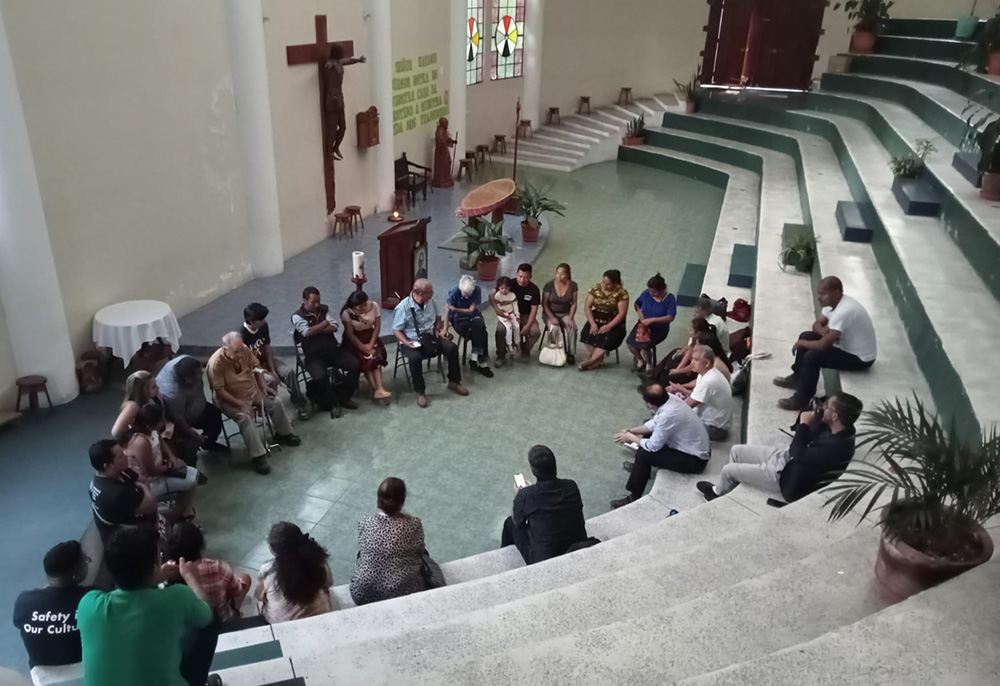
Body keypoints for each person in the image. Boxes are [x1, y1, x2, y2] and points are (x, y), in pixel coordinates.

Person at [77, 525, 214, 686]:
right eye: (159, 556)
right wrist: (190, 576)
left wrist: (155, 575)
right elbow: (207, 614)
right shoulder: (177, 596)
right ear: (154, 565)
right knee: (210, 621)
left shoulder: (88, 604)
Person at [698, 393, 862, 503]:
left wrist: (804, 424)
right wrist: (813, 418)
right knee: (736, 450)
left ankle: (716, 494)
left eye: (827, 405)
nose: (823, 406)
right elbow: (802, 442)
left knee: (728, 470)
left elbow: (798, 453)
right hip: (786, 458)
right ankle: (728, 489)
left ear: (835, 416)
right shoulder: (837, 427)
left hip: (788, 477)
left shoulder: (838, 447)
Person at [774, 276, 876, 411]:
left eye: (823, 294)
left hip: (860, 358)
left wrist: (801, 343)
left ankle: (803, 399)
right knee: (806, 336)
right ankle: (797, 379)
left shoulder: (844, 311)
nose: (819, 298)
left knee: (812, 356)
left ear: (836, 293)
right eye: (818, 293)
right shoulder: (833, 305)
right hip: (845, 347)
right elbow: (816, 324)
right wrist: (824, 333)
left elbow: (823, 345)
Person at [207, 332, 301, 475]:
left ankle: (284, 433)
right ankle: (258, 456)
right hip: (230, 399)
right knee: (245, 417)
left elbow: (256, 368)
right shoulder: (216, 364)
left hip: (252, 390)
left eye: (241, 350)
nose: (240, 354)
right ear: (225, 349)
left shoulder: (243, 349)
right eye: (236, 352)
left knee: (275, 401)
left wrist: (263, 385)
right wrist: (241, 405)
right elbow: (219, 391)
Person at [610, 382, 711, 508]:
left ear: (649, 404)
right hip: (693, 448)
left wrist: (630, 437)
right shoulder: (670, 399)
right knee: (647, 432)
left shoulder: (669, 415)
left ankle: (633, 497)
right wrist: (632, 431)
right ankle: (640, 470)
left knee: (643, 454)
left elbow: (653, 446)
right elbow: (654, 423)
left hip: (694, 460)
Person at [12, 541, 94, 669]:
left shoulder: (24, 602)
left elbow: (19, 624)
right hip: (85, 669)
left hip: (42, 676)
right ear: (75, 573)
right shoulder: (92, 597)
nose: (88, 563)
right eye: (85, 561)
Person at [500, 445, 588, 565]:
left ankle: (503, 556)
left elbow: (518, 522)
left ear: (533, 470)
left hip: (546, 557)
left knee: (510, 523)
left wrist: (518, 497)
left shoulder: (526, 495)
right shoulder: (571, 486)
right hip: (578, 544)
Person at [350, 477, 431, 605]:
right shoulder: (414, 524)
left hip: (362, 594)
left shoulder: (366, 522)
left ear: (378, 499)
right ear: (402, 500)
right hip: (404, 593)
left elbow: (362, 545)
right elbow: (419, 550)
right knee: (424, 555)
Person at [392, 278, 469, 408]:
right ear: (421, 293)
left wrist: (438, 330)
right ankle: (420, 391)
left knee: (451, 348)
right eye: (430, 291)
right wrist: (406, 342)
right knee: (415, 358)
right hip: (411, 340)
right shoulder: (403, 308)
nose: (433, 293)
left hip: (429, 336)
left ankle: (454, 381)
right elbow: (397, 330)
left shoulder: (430, 302)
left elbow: (437, 317)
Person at [292, 286, 361, 417]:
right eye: (313, 302)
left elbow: (334, 326)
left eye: (319, 301)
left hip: (333, 351)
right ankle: (334, 403)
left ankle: (343, 396)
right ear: (304, 301)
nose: (317, 304)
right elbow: (306, 332)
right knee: (320, 377)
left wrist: (315, 329)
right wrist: (324, 324)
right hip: (314, 356)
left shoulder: (325, 309)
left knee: (355, 365)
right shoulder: (297, 316)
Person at [125, 403, 201, 519]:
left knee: (194, 474)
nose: (163, 421)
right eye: (160, 420)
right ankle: (177, 515)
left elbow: (161, 442)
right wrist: (172, 467)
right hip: (149, 482)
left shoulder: (152, 430)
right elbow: (150, 471)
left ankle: (184, 512)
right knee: (191, 481)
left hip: (161, 471)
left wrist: (173, 458)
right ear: (149, 425)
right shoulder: (141, 442)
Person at [166, 522, 251, 622]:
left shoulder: (166, 573)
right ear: (200, 547)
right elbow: (236, 591)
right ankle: (233, 616)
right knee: (245, 578)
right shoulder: (218, 567)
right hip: (219, 622)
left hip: (187, 629)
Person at [255, 522, 334, 624]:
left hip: (282, 624)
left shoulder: (268, 570)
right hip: (320, 616)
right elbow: (329, 582)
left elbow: (259, 596)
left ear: (272, 550)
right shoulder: (317, 561)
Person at [242, 302, 309, 419]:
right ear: (251, 321)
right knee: (271, 380)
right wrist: (264, 372)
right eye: (261, 320)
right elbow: (247, 363)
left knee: (288, 372)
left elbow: (267, 347)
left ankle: (299, 403)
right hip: (254, 368)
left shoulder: (263, 326)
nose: (264, 322)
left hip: (266, 361)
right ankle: (277, 415)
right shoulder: (241, 335)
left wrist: (272, 369)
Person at [156, 356, 229, 459]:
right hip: (182, 418)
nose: (201, 375)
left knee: (215, 416)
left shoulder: (186, 361)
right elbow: (178, 418)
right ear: (187, 379)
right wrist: (194, 436)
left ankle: (209, 443)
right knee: (188, 448)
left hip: (198, 404)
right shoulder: (172, 392)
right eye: (199, 374)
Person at [88, 438, 157, 543]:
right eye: (121, 456)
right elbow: (152, 505)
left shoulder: (116, 471)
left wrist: (141, 484)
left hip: (133, 521)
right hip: (126, 540)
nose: (126, 456)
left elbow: (141, 478)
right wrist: (142, 486)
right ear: (108, 465)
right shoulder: (115, 493)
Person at [669, 345, 732, 440]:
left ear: (706, 363)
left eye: (696, 360)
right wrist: (680, 387)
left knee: (671, 426)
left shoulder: (708, 381)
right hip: (715, 423)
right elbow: (696, 395)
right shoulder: (708, 373)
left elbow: (688, 405)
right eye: (692, 359)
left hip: (714, 428)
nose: (692, 363)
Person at [340, 291, 393, 403]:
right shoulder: (347, 313)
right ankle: (377, 390)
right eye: (358, 307)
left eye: (363, 305)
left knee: (376, 358)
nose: (361, 308)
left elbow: (377, 327)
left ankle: (379, 388)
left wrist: (371, 344)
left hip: (370, 337)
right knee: (367, 360)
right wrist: (363, 347)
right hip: (355, 341)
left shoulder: (374, 306)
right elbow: (350, 334)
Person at [579, 269, 629, 371]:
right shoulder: (595, 288)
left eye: (609, 284)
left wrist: (609, 326)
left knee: (606, 339)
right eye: (603, 283)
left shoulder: (622, 293)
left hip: (613, 321)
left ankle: (590, 361)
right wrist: (592, 323)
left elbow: (622, 313)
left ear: (615, 283)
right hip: (596, 317)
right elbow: (587, 307)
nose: (605, 286)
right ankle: (597, 359)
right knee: (586, 335)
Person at [626, 273, 677, 373]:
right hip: (643, 325)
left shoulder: (670, 299)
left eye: (654, 292)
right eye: (650, 291)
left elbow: (670, 317)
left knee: (645, 346)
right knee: (630, 344)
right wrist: (640, 314)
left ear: (662, 289)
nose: (651, 293)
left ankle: (649, 363)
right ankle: (640, 360)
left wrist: (652, 320)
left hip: (658, 329)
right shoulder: (646, 293)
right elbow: (637, 304)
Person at [445, 275, 494, 377]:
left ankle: (475, 358)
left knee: (479, 325)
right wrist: (445, 329)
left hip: (473, 315)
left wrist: (455, 308)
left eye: (469, 295)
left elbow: (471, 310)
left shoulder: (477, 290)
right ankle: (481, 362)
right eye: (465, 294)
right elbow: (447, 312)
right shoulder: (454, 293)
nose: (467, 297)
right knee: (481, 333)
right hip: (459, 319)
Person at [323, 44, 366, 160]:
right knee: (332, 127)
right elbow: (328, 65)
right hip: (332, 99)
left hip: (339, 98)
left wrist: (359, 60)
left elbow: (348, 60)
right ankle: (329, 151)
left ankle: (336, 146)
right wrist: (327, 65)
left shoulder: (339, 62)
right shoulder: (331, 63)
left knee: (343, 126)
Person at [110, 370, 165, 441]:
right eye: (153, 387)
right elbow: (116, 432)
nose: (158, 387)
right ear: (143, 390)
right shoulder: (132, 406)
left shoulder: (151, 398)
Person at [541, 263, 579, 365]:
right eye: (557, 273)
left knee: (572, 328)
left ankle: (571, 353)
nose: (559, 276)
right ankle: (554, 351)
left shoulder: (573, 285)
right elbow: (544, 303)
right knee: (554, 327)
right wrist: (552, 317)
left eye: (562, 274)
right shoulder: (549, 285)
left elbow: (574, 303)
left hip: (565, 313)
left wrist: (571, 318)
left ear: (567, 275)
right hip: (550, 313)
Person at [502, 263, 542, 359]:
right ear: (516, 274)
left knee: (536, 332)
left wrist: (528, 326)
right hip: (510, 314)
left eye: (526, 277)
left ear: (530, 277)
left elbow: (534, 310)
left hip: (526, 316)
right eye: (520, 276)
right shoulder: (509, 284)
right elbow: (495, 295)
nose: (522, 280)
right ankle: (501, 352)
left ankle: (525, 348)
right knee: (501, 330)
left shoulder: (534, 290)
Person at [490, 276, 520, 367]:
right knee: (507, 328)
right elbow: (498, 308)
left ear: (509, 288)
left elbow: (515, 305)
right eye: (501, 288)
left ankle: (517, 343)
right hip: (502, 316)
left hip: (511, 314)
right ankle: (509, 346)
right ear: (498, 288)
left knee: (517, 326)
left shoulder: (512, 295)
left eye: (506, 288)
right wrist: (505, 315)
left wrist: (517, 315)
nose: (504, 290)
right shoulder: (497, 296)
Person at [432, 117, 456, 188]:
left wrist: (452, 141)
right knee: (441, 165)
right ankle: (440, 178)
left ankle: (447, 177)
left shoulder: (445, 131)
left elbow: (447, 138)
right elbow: (440, 141)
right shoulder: (439, 131)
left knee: (448, 162)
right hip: (440, 152)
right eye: (446, 124)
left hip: (444, 150)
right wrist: (446, 141)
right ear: (443, 124)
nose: (447, 125)